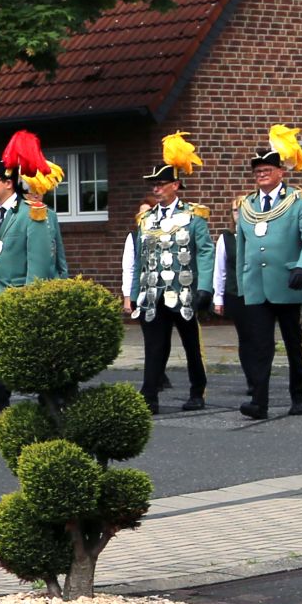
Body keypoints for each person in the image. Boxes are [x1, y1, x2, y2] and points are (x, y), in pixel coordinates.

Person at [0, 136, 69, 432]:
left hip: (19, 296)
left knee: (34, 355)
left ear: (9, 183)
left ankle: (52, 403)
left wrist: (30, 300)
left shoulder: (33, 213)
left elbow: (39, 263)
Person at [225, 127, 302, 421]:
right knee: (259, 346)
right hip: (256, 286)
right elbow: (242, 248)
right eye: (257, 171)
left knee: (293, 343)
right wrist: (242, 284)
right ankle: (259, 402)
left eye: (267, 169)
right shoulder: (247, 205)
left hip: (288, 282)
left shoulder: (298, 202)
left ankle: (299, 394)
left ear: (281, 171)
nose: (261, 174)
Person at [124, 143, 214, 415]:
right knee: (154, 346)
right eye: (154, 185)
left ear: (175, 185)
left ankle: (197, 391)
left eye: (161, 184)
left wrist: (205, 287)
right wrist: (134, 293)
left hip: (184, 290)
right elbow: (139, 259)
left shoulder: (194, 216)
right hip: (153, 292)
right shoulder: (146, 219)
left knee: (191, 345)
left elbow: (205, 252)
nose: (156, 189)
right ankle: (149, 394)